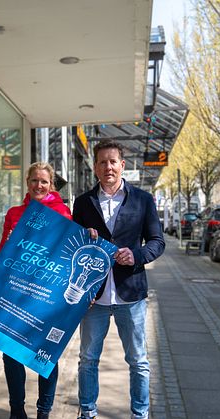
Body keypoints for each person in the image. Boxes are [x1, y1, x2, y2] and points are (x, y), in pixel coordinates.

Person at [72, 139, 165, 419]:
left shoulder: (143, 200)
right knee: (88, 359)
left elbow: (158, 242)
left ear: (122, 165)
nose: (108, 167)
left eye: (113, 161)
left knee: (138, 361)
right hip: (94, 297)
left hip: (131, 294)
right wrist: (83, 239)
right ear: (95, 168)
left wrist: (136, 255)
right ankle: (87, 412)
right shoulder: (83, 202)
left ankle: (140, 414)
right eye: (102, 162)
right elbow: (74, 246)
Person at [0, 162, 72, 419]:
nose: (38, 185)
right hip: (15, 293)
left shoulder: (63, 213)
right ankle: (17, 410)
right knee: (10, 353)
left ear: (51, 185)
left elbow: (66, 255)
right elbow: (2, 253)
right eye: (34, 181)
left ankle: (43, 412)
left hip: (46, 295)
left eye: (44, 181)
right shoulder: (14, 213)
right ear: (27, 182)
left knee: (45, 355)